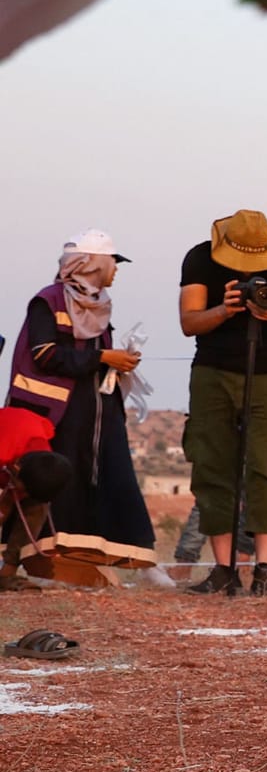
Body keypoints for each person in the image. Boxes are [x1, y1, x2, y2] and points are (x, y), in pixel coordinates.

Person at [5, 230, 156, 571]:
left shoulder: (99, 305)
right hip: (56, 415)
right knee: (58, 486)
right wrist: (103, 358)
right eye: (113, 262)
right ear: (92, 263)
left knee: (106, 478)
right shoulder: (49, 300)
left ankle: (91, 560)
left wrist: (118, 362)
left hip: (96, 412)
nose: (116, 269)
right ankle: (36, 562)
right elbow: (44, 355)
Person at [178, 209, 267, 596]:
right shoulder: (200, 257)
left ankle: (265, 569)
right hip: (213, 372)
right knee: (212, 464)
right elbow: (189, 322)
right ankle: (224, 569)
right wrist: (224, 309)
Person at [0, 407, 71, 588]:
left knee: (37, 506)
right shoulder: (4, 451)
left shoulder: (41, 457)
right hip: (8, 439)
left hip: (20, 440)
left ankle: (7, 572)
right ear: (16, 470)